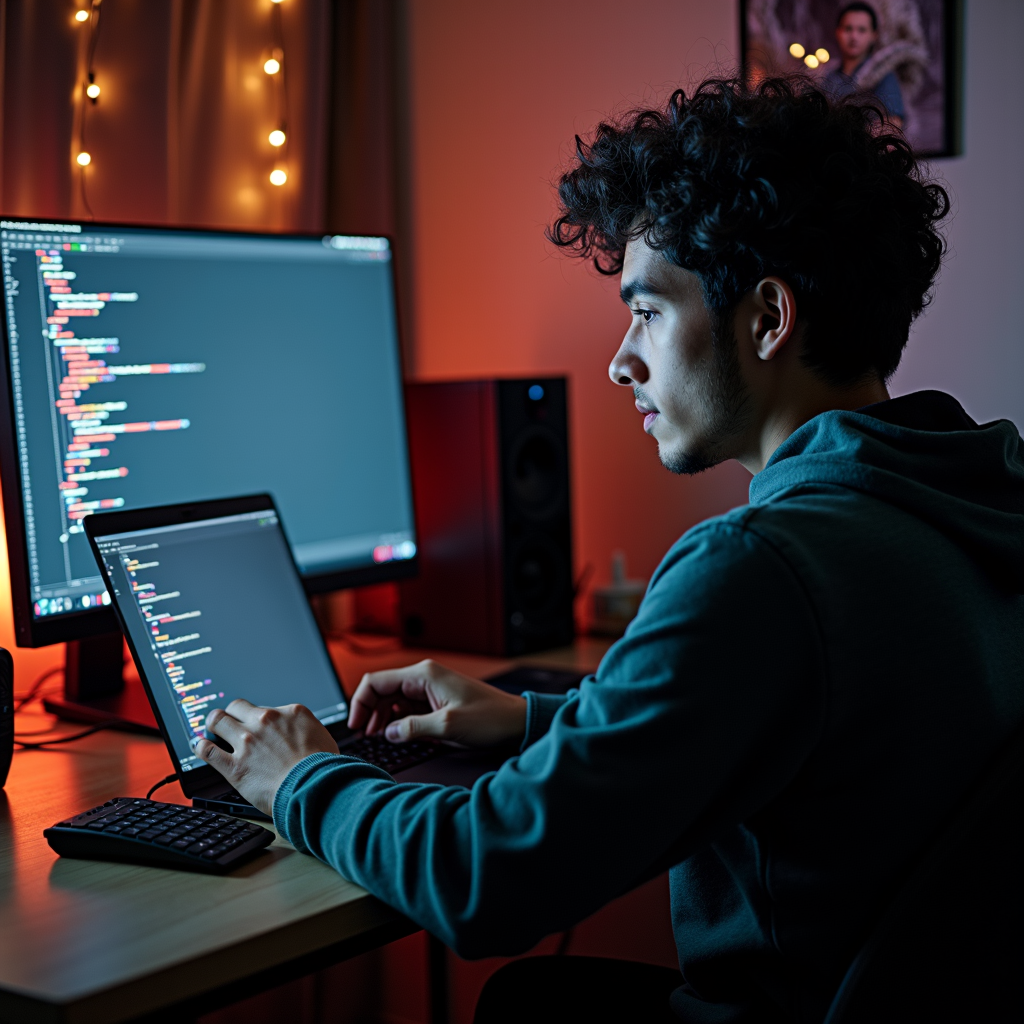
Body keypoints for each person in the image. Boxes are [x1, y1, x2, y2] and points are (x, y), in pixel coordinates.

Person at [195, 77, 1024, 1023]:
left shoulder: (761, 568)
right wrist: (539, 721)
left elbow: (486, 881)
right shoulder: (963, 504)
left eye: (649, 311)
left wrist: (302, 779)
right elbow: (805, 725)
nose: (619, 359)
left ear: (767, 318)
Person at [823, 1, 905, 125]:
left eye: (862, 30)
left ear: (874, 36)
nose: (854, 36)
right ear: (838, 32)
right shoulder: (828, 76)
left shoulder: (882, 75)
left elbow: (894, 122)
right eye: (848, 29)